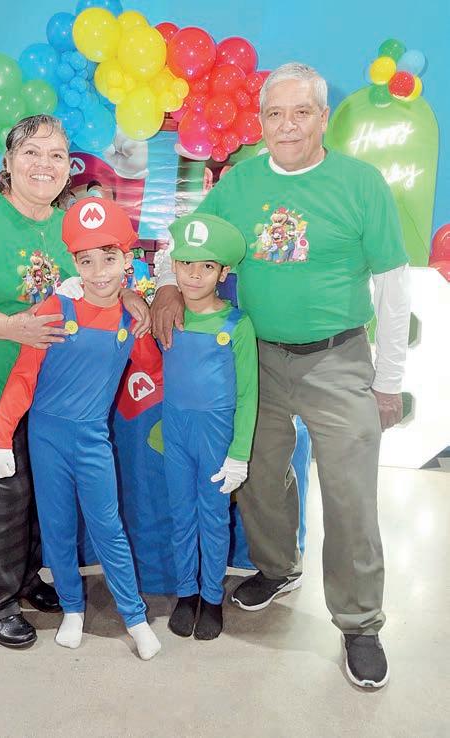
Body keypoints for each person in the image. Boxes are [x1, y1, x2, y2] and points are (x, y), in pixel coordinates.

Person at [152, 63, 411, 688]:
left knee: (350, 495)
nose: (287, 125)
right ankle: (276, 566)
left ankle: (359, 622)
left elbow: (393, 284)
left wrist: (389, 380)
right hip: (257, 356)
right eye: (274, 113)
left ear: (323, 117)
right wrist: (165, 285)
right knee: (258, 475)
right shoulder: (240, 183)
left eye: (300, 112)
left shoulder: (361, 183)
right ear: (261, 121)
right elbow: (185, 241)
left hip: (337, 357)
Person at [0, 114, 150, 649]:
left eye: (57, 154)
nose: (45, 164)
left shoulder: (67, 224)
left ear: (69, 167)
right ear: (9, 161)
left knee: (40, 497)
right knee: (2, 501)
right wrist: (10, 327)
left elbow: (96, 276)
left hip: (46, 399)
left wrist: (129, 295)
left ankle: (26, 579)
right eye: (32, 152)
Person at [0, 197, 162, 661]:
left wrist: (143, 310)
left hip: (91, 441)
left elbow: (151, 372)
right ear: (75, 263)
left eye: (109, 258)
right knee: (58, 527)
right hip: (45, 439)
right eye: (86, 261)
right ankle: (72, 609)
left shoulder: (130, 317)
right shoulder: (56, 306)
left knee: (108, 528)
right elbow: (24, 376)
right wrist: (2, 437)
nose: (99, 271)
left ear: (127, 259)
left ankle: (135, 617)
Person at [163, 213, 258, 641]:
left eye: (207, 266)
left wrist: (239, 454)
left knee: (214, 518)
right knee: (181, 514)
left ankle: (212, 597)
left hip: (216, 437)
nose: (194, 274)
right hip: (176, 434)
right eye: (186, 264)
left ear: (223, 273)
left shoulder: (237, 324)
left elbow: (248, 395)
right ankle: (186, 593)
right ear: (174, 266)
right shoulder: (169, 316)